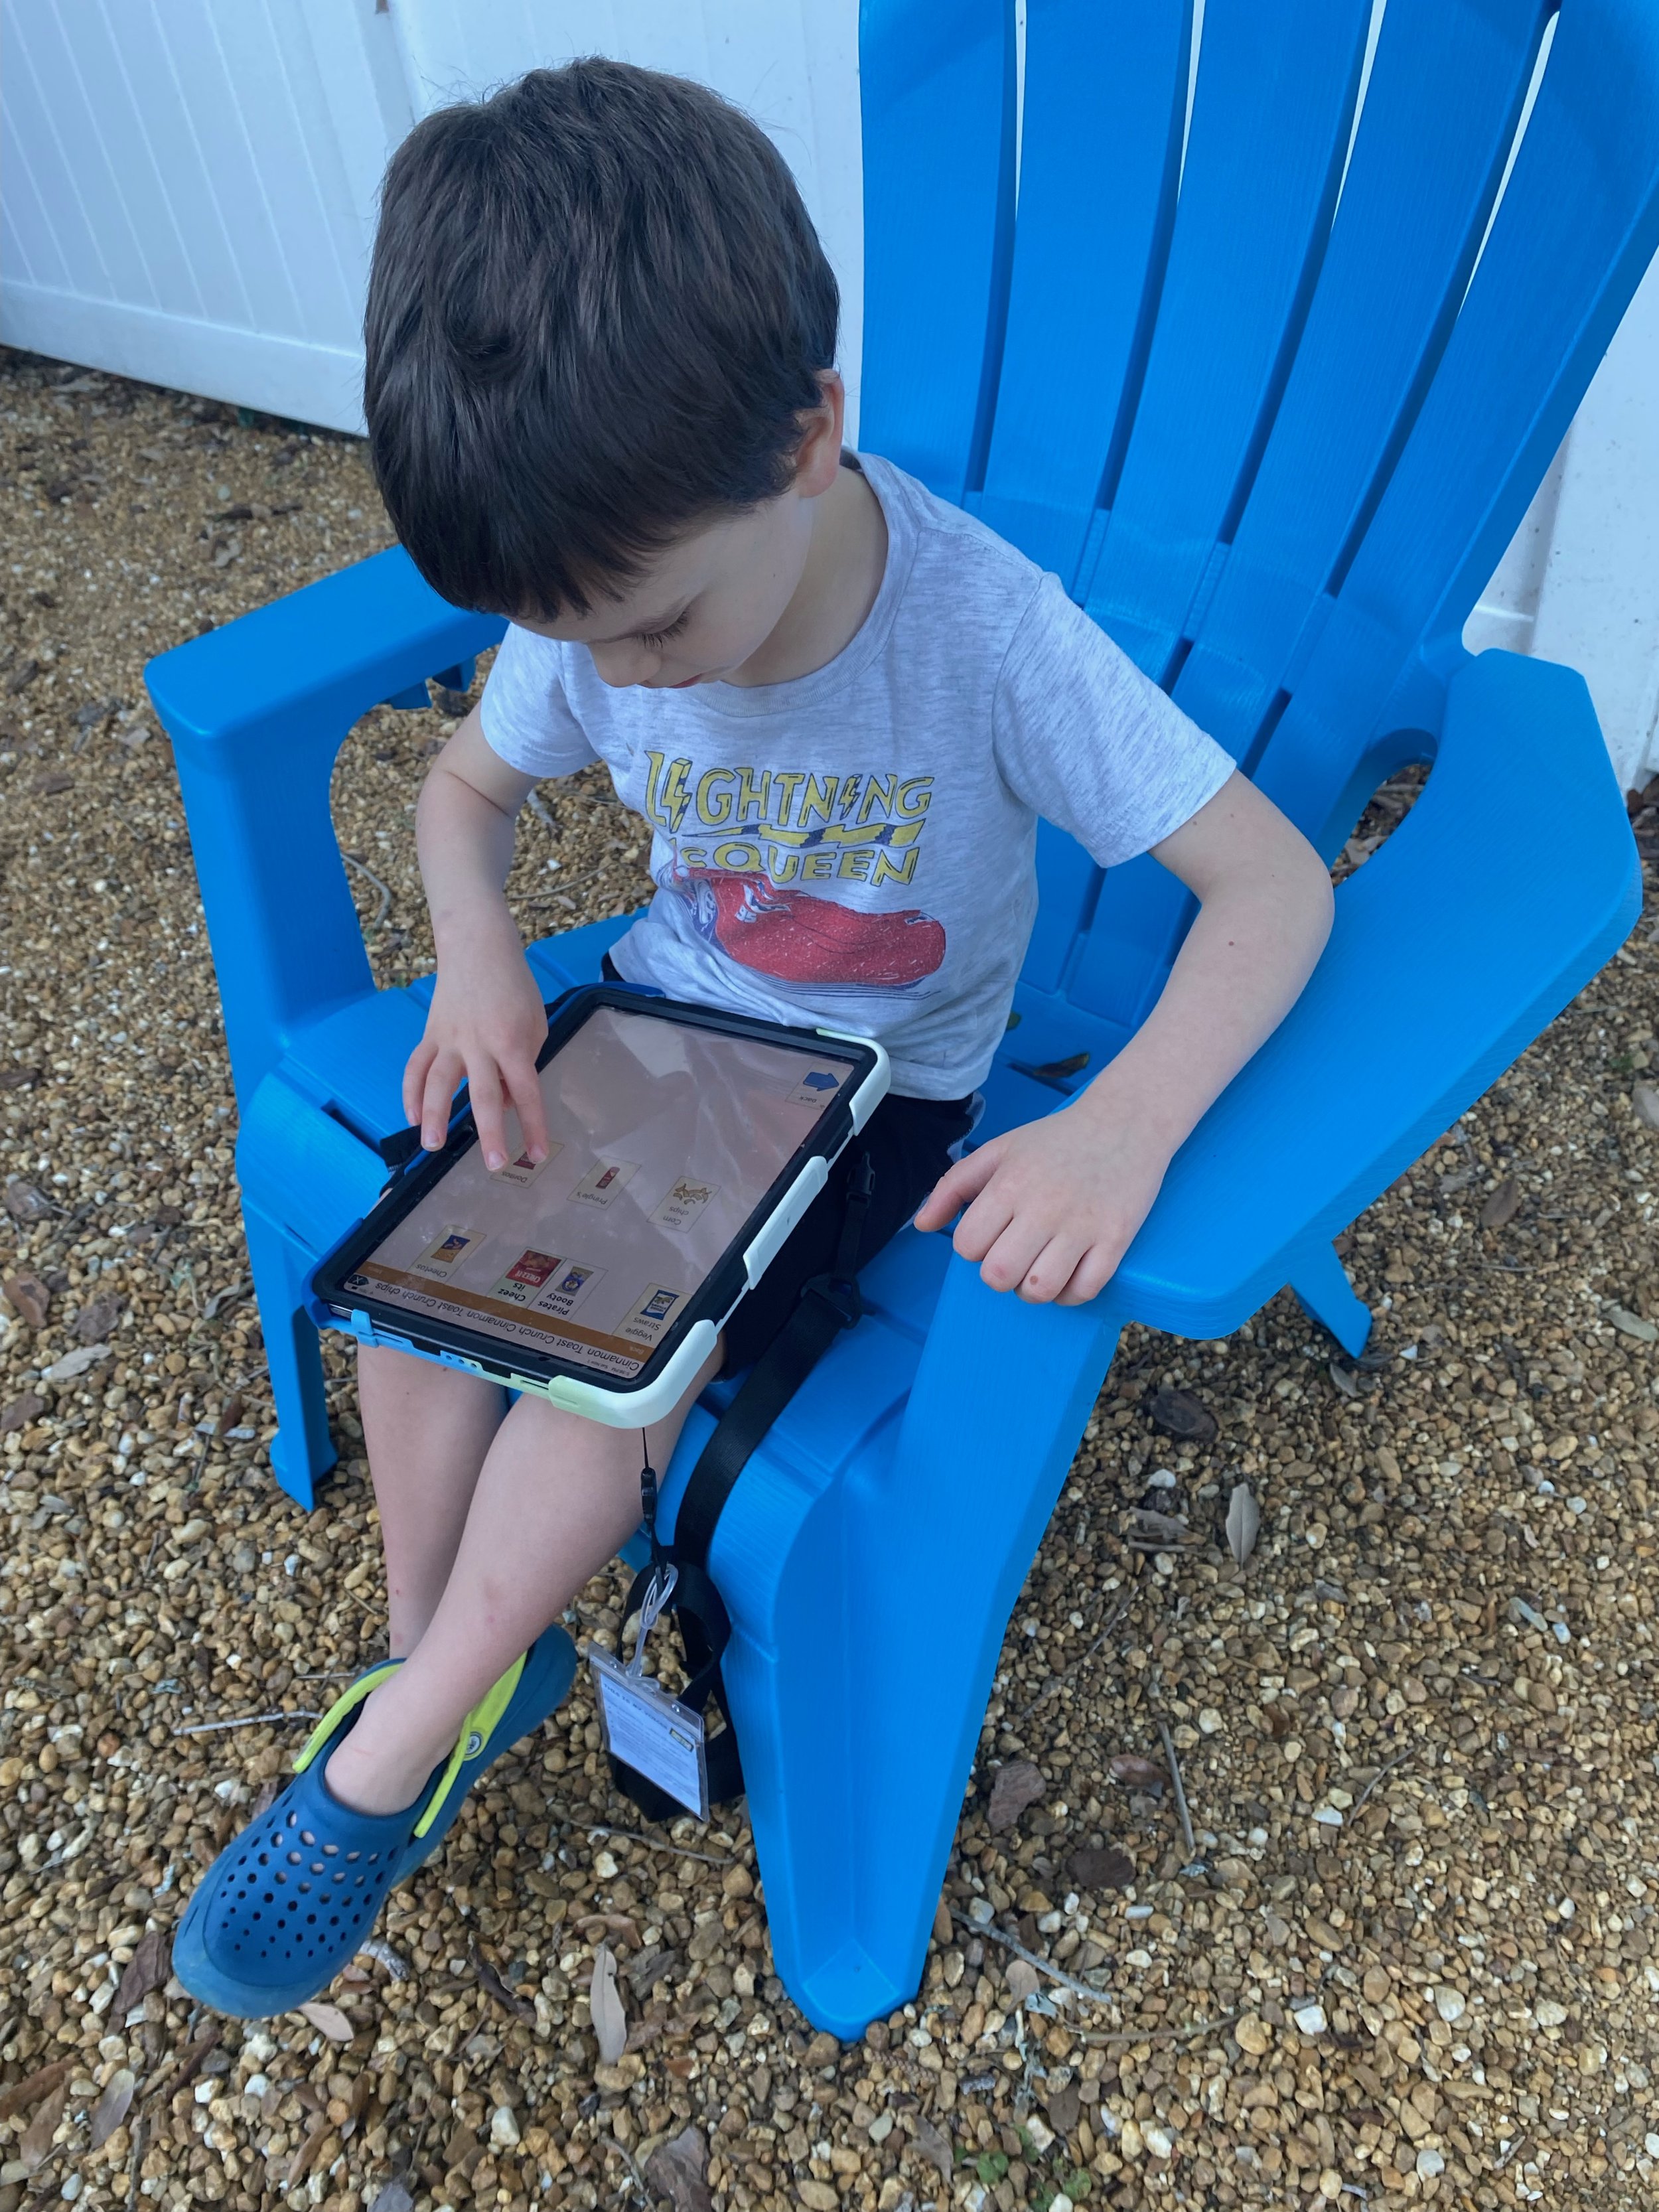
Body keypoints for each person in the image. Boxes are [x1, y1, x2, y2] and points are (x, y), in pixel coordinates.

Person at [174, 58, 1334, 2016]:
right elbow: (464, 795)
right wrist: (474, 958)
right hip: (647, 1025)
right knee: (420, 1288)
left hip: (872, 1092)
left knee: (598, 1385)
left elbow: (1277, 888)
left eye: (652, 634)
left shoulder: (986, 634)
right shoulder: (606, 571)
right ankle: (447, 1653)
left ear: (808, 436)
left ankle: (401, 1736)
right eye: (581, 640)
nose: (613, 678)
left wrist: (1120, 1128)